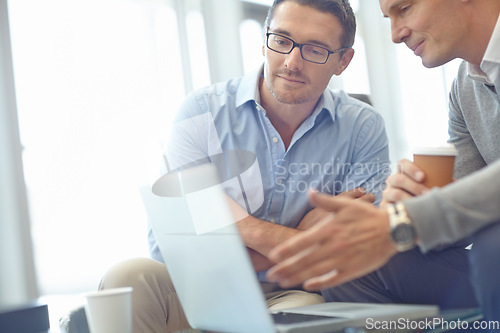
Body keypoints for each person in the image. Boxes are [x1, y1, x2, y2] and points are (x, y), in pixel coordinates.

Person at [99, 0, 391, 332]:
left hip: (292, 291)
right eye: (281, 40)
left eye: (315, 50)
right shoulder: (200, 111)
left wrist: (230, 222)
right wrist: (304, 237)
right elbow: (176, 246)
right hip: (196, 288)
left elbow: (356, 245)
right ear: (264, 39)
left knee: (308, 312)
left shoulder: (363, 127)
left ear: (343, 61)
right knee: (127, 277)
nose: (292, 62)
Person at [267, 0, 500, 325]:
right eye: (387, 17)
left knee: (492, 247)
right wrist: (408, 202)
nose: (395, 34)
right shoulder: (465, 87)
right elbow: (455, 217)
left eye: (404, 8)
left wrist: (408, 218)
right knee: (351, 261)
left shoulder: (361, 123)